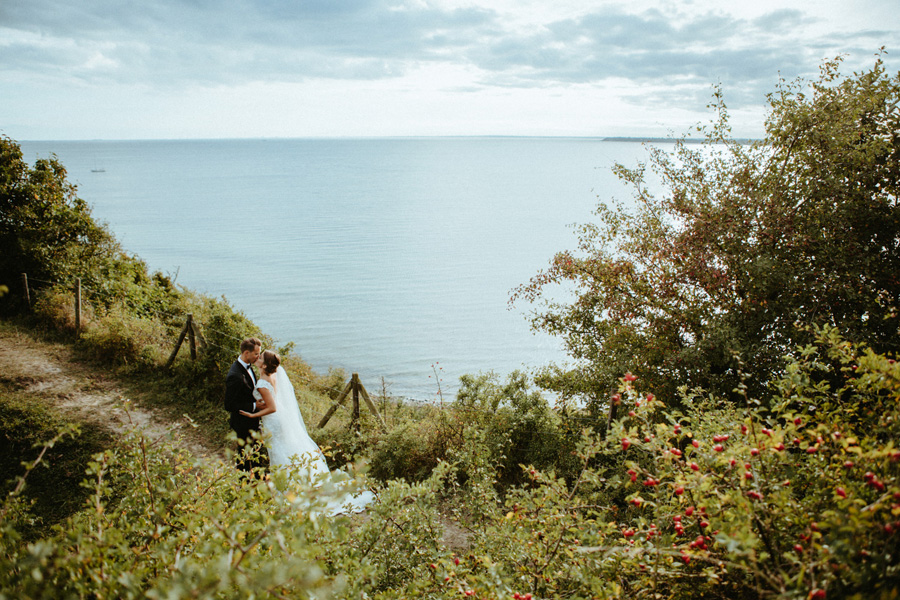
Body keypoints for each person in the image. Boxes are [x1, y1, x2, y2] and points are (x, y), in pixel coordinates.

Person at [240, 350, 374, 513]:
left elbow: (272, 407)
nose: (257, 358)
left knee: (280, 453)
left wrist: (252, 414)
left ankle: (289, 492)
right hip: (279, 419)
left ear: (265, 364)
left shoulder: (263, 382)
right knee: (285, 451)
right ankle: (292, 488)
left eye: (260, 357)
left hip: (274, 420)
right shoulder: (274, 375)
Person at [224, 337, 266, 472]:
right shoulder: (235, 375)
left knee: (255, 455)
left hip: (252, 421)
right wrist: (254, 406)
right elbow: (229, 405)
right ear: (246, 353)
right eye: (256, 354)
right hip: (243, 422)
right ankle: (244, 485)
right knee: (244, 457)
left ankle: (255, 483)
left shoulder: (247, 367)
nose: (258, 357)